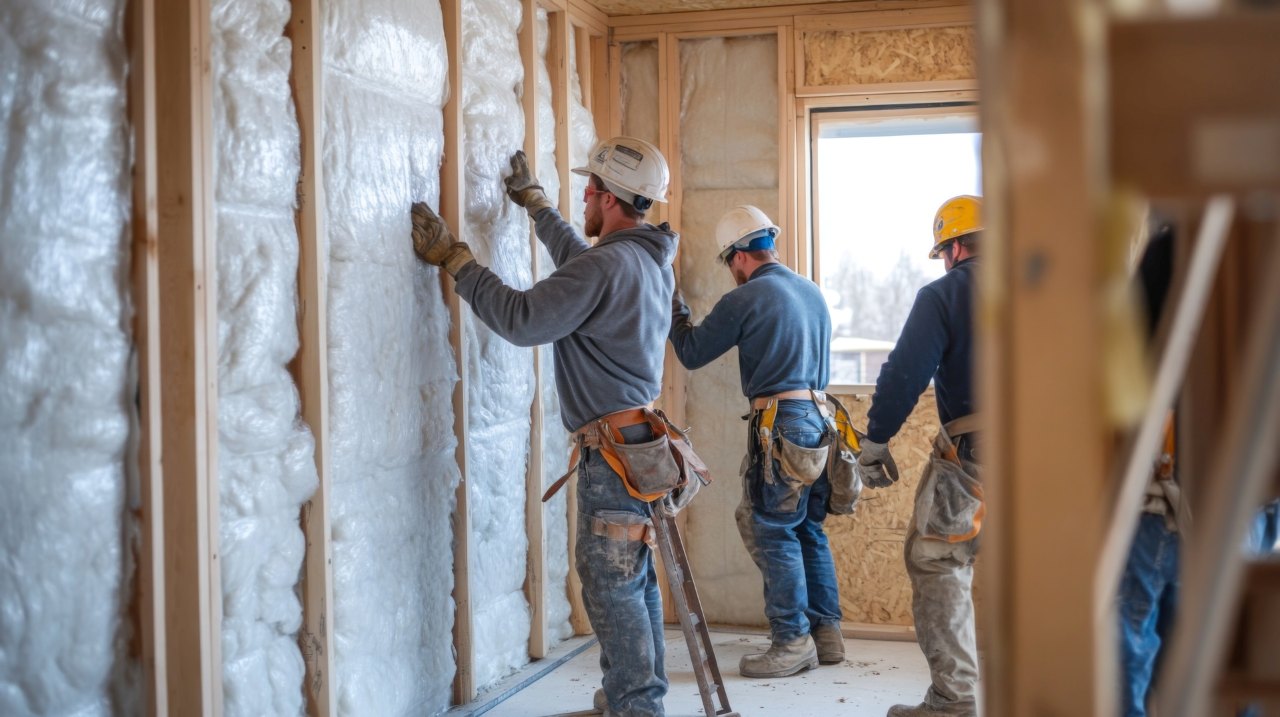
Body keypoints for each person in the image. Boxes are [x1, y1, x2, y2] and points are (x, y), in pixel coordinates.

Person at [410, 136, 679, 717]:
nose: (583, 193)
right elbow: (581, 264)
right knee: (631, 578)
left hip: (613, 456)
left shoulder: (610, 263)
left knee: (611, 584)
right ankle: (636, 697)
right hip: (636, 445)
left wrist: (458, 261)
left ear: (608, 199)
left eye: (590, 188)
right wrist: (535, 206)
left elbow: (524, 318)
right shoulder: (646, 258)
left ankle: (638, 707)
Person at [668, 205, 846, 678]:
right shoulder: (811, 292)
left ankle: (791, 642)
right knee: (808, 528)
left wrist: (672, 299)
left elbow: (690, 350)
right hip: (820, 422)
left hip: (782, 425)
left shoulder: (746, 298)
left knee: (774, 530)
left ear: (738, 256)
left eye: (730, 265)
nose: (732, 274)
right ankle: (826, 636)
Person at [858, 195, 983, 717]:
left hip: (977, 456)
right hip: (1055, 457)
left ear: (954, 248)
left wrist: (876, 438)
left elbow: (905, 371)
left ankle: (954, 701)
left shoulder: (946, 294)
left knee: (938, 561)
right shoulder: (1044, 287)